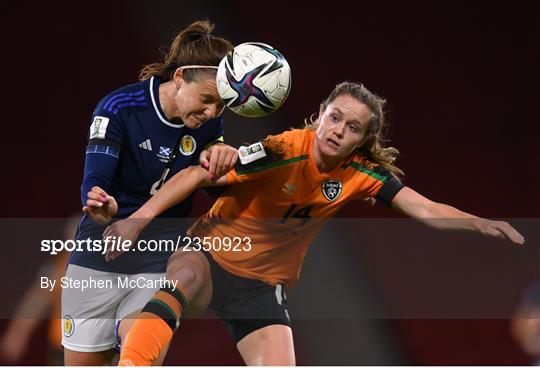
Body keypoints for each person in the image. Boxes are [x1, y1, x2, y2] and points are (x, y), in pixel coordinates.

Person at [99, 81, 525, 366]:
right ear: (320, 114)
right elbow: (196, 174)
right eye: (335, 117)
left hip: (261, 287)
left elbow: (428, 210)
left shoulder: (360, 174)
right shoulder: (282, 150)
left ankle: (131, 325)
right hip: (209, 255)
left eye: (353, 127)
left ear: (362, 140)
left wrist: (479, 223)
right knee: (184, 279)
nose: (339, 130)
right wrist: (135, 222)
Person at [62, 20, 238, 366]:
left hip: (159, 258)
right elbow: (94, 179)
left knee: (139, 355)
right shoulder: (120, 107)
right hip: (101, 251)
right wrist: (102, 204)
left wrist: (221, 163)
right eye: (206, 101)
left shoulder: (210, 125)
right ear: (179, 77)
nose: (212, 113)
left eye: (220, 106)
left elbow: (210, 182)